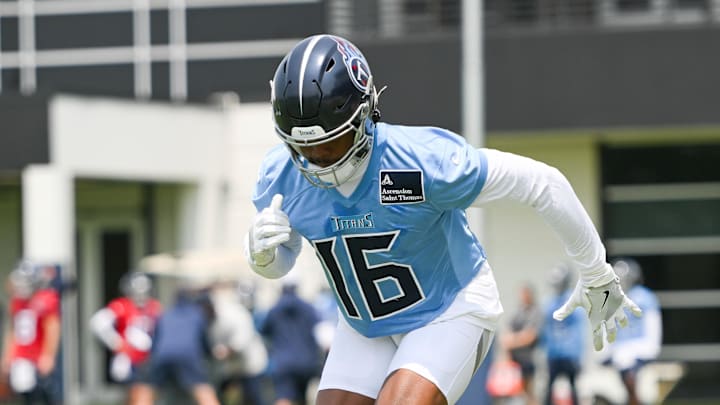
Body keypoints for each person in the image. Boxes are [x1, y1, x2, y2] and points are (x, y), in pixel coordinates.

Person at [244, 33, 642, 405]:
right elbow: (283, 260)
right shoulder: (281, 174)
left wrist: (596, 271)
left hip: (447, 310)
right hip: (364, 325)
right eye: (306, 147)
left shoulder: (423, 162)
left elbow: (545, 183)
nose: (320, 161)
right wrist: (262, 257)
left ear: (365, 115)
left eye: (332, 142)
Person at [89, 272, 162, 405]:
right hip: (129, 360)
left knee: (145, 395)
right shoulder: (122, 305)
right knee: (137, 395)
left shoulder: (154, 307)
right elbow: (98, 323)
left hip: (149, 359)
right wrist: (116, 343)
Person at [0, 260, 62, 405]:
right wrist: (7, 355)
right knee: (23, 391)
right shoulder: (17, 301)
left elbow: (53, 328)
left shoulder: (46, 299)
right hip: (21, 354)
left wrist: (48, 355)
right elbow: (13, 331)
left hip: (38, 354)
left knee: (44, 394)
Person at [148, 285, 220, 405]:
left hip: (162, 356)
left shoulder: (165, 314)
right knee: (203, 391)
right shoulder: (196, 314)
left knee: (150, 390)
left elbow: (155, 342)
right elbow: (204, 341)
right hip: (188, 356)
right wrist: (210, 354)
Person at [259, 275, 322, 405]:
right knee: (303, 399)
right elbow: (321, 330)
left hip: (284, 362)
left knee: (284, 397)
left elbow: (263, 330)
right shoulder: (308, 307)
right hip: (307, 361)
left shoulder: (274, 309)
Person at [606, 258, 662, 405]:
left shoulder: (645, 297)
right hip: (621, 350)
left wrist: (651, 348)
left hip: (639, 348)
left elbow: (653, 325)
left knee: (631, 379)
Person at [208, 280, 268, 405]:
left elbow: (242, 340)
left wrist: (225, 351)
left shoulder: (235, 313)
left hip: (250, 365)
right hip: (231, 369)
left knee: (254, 399)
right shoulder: (211, 319)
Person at [541, 264, 585, 405]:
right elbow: (546, 328)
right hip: (553, 353)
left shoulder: (574, 301)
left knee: (573, 387)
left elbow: (578, 330)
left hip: (570, 353)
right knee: (549, 388)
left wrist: (578, 354)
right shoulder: (548, 302)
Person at [499, 283, 541, 405]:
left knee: (529, 393)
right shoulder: (518, 312)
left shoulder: (535, 312)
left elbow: (530, 336)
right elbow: (506, 334)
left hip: (527, 359)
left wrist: (513, 341)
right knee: (515, 393)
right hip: (514, 361)